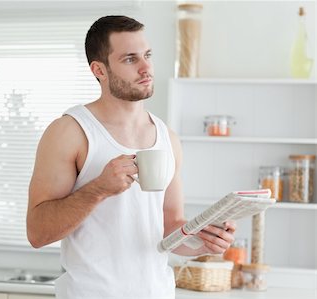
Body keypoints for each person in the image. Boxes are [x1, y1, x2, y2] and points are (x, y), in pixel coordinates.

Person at [27, 15, 236, 298]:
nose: (146, 67)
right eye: (129, 59)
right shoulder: (70, 132)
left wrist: (203, 241)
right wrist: (98, 189)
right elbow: (38, 233)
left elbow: (169, 228)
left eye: (147, 55)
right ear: (99, 70)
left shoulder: (167, 138)